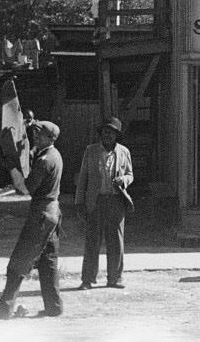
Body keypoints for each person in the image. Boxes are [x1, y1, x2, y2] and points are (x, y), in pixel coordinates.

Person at [0, 120, 63, 319]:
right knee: (48, 261)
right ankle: (54, 307)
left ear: (49, 138)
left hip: (41, 215)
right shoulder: (54, 155)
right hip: (53, 214)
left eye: (39, 134)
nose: (35, 136)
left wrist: (12, 167)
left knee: (19, 261)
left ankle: (4, 309)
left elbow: (26, 189)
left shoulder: (44, 160)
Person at [75, 116, 134, 290]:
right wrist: (79, 202)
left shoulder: (124, 152)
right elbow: (83, 177)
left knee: (116, 241)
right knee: (92, 241)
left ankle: (115, 278)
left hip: (116, 201)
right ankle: (87, 279)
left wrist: (124, 180)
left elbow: (130, 174)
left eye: (111, 132)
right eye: (105, 132)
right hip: (96, 201)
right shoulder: (91, 151)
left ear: (117, 135)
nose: (107, 135)